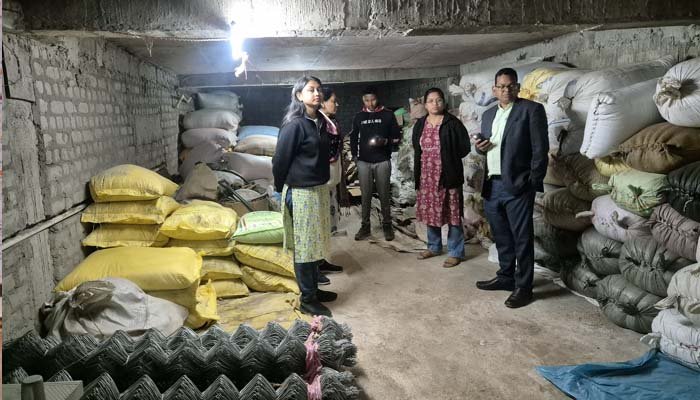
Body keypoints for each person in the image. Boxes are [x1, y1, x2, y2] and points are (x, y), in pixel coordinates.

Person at [474, 67, 549, 309]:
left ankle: (524, 287)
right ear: (494, 90)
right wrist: (479, 147)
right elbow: (485, 146)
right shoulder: (488, 114)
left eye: (510, 86)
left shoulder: (531, 110)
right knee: (502, 236)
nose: (506, 90)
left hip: (518, 185)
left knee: (522, 238)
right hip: (492, 184)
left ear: (517, 88)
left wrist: (532, 183)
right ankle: (506, 277)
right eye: (501, 86)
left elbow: (540, 149)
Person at [272, 76, 336, 317]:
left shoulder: (319, 122)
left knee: (315, 243)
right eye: (311, 90)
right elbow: (280, 160)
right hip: (300, 192)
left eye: (319, 89)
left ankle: (314, 291)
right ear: (299, 95)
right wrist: (280, 188)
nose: (317, 94)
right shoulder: (295, 125)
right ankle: (307, 299)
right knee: (304, 246)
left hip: (317, 189)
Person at [412, 88, 471, 268]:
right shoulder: (420, 124)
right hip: (426, 175)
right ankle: (434, 246)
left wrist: (448, 158)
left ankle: (455, 252)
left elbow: (465, 147)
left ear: (444, 102)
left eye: (438, 100)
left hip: (449, 174)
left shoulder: (452, 123)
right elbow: (416, 147)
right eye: (431, 101)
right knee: (431, 211)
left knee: (453, 213)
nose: (435, 104)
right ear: (425, 104)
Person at [350, 86, 402, 241]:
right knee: (365, 195)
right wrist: (355, 155)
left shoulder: (388, 115)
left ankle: (387, 225)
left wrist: (385, 141)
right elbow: (353, 137)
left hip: (382, 161)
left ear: (377, 98)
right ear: (363, 100)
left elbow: (397, 137)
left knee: (384, 194)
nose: (370, 103)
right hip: (364, 162)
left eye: (372, 99)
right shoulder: (359, 116)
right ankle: (365, 226)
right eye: (366, 100)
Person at [317, 86, 345, 277]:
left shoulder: (331, 122)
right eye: (333, 101)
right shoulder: (317, 124)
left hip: (331, 179)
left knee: (326, 223)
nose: (337, 104)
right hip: (320, 180)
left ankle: (323, 260)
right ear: (323, 102)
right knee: (319, 223)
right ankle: (316, 265)